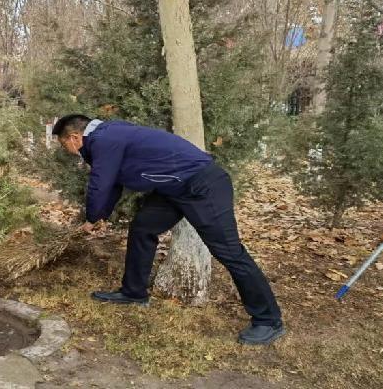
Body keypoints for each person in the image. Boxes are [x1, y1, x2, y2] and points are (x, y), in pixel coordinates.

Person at [53, 114, 285, 345]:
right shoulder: (108, 135)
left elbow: (100, 182)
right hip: (173, 189)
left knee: (230, 252)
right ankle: (134, 292)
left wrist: (91, 218)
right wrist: (99, 215)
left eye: (65, 146)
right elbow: (112, 183)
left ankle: (268, 320)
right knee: (143, 228)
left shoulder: (104, 139)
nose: (68, 151)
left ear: (74, 137)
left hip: (203, 185)